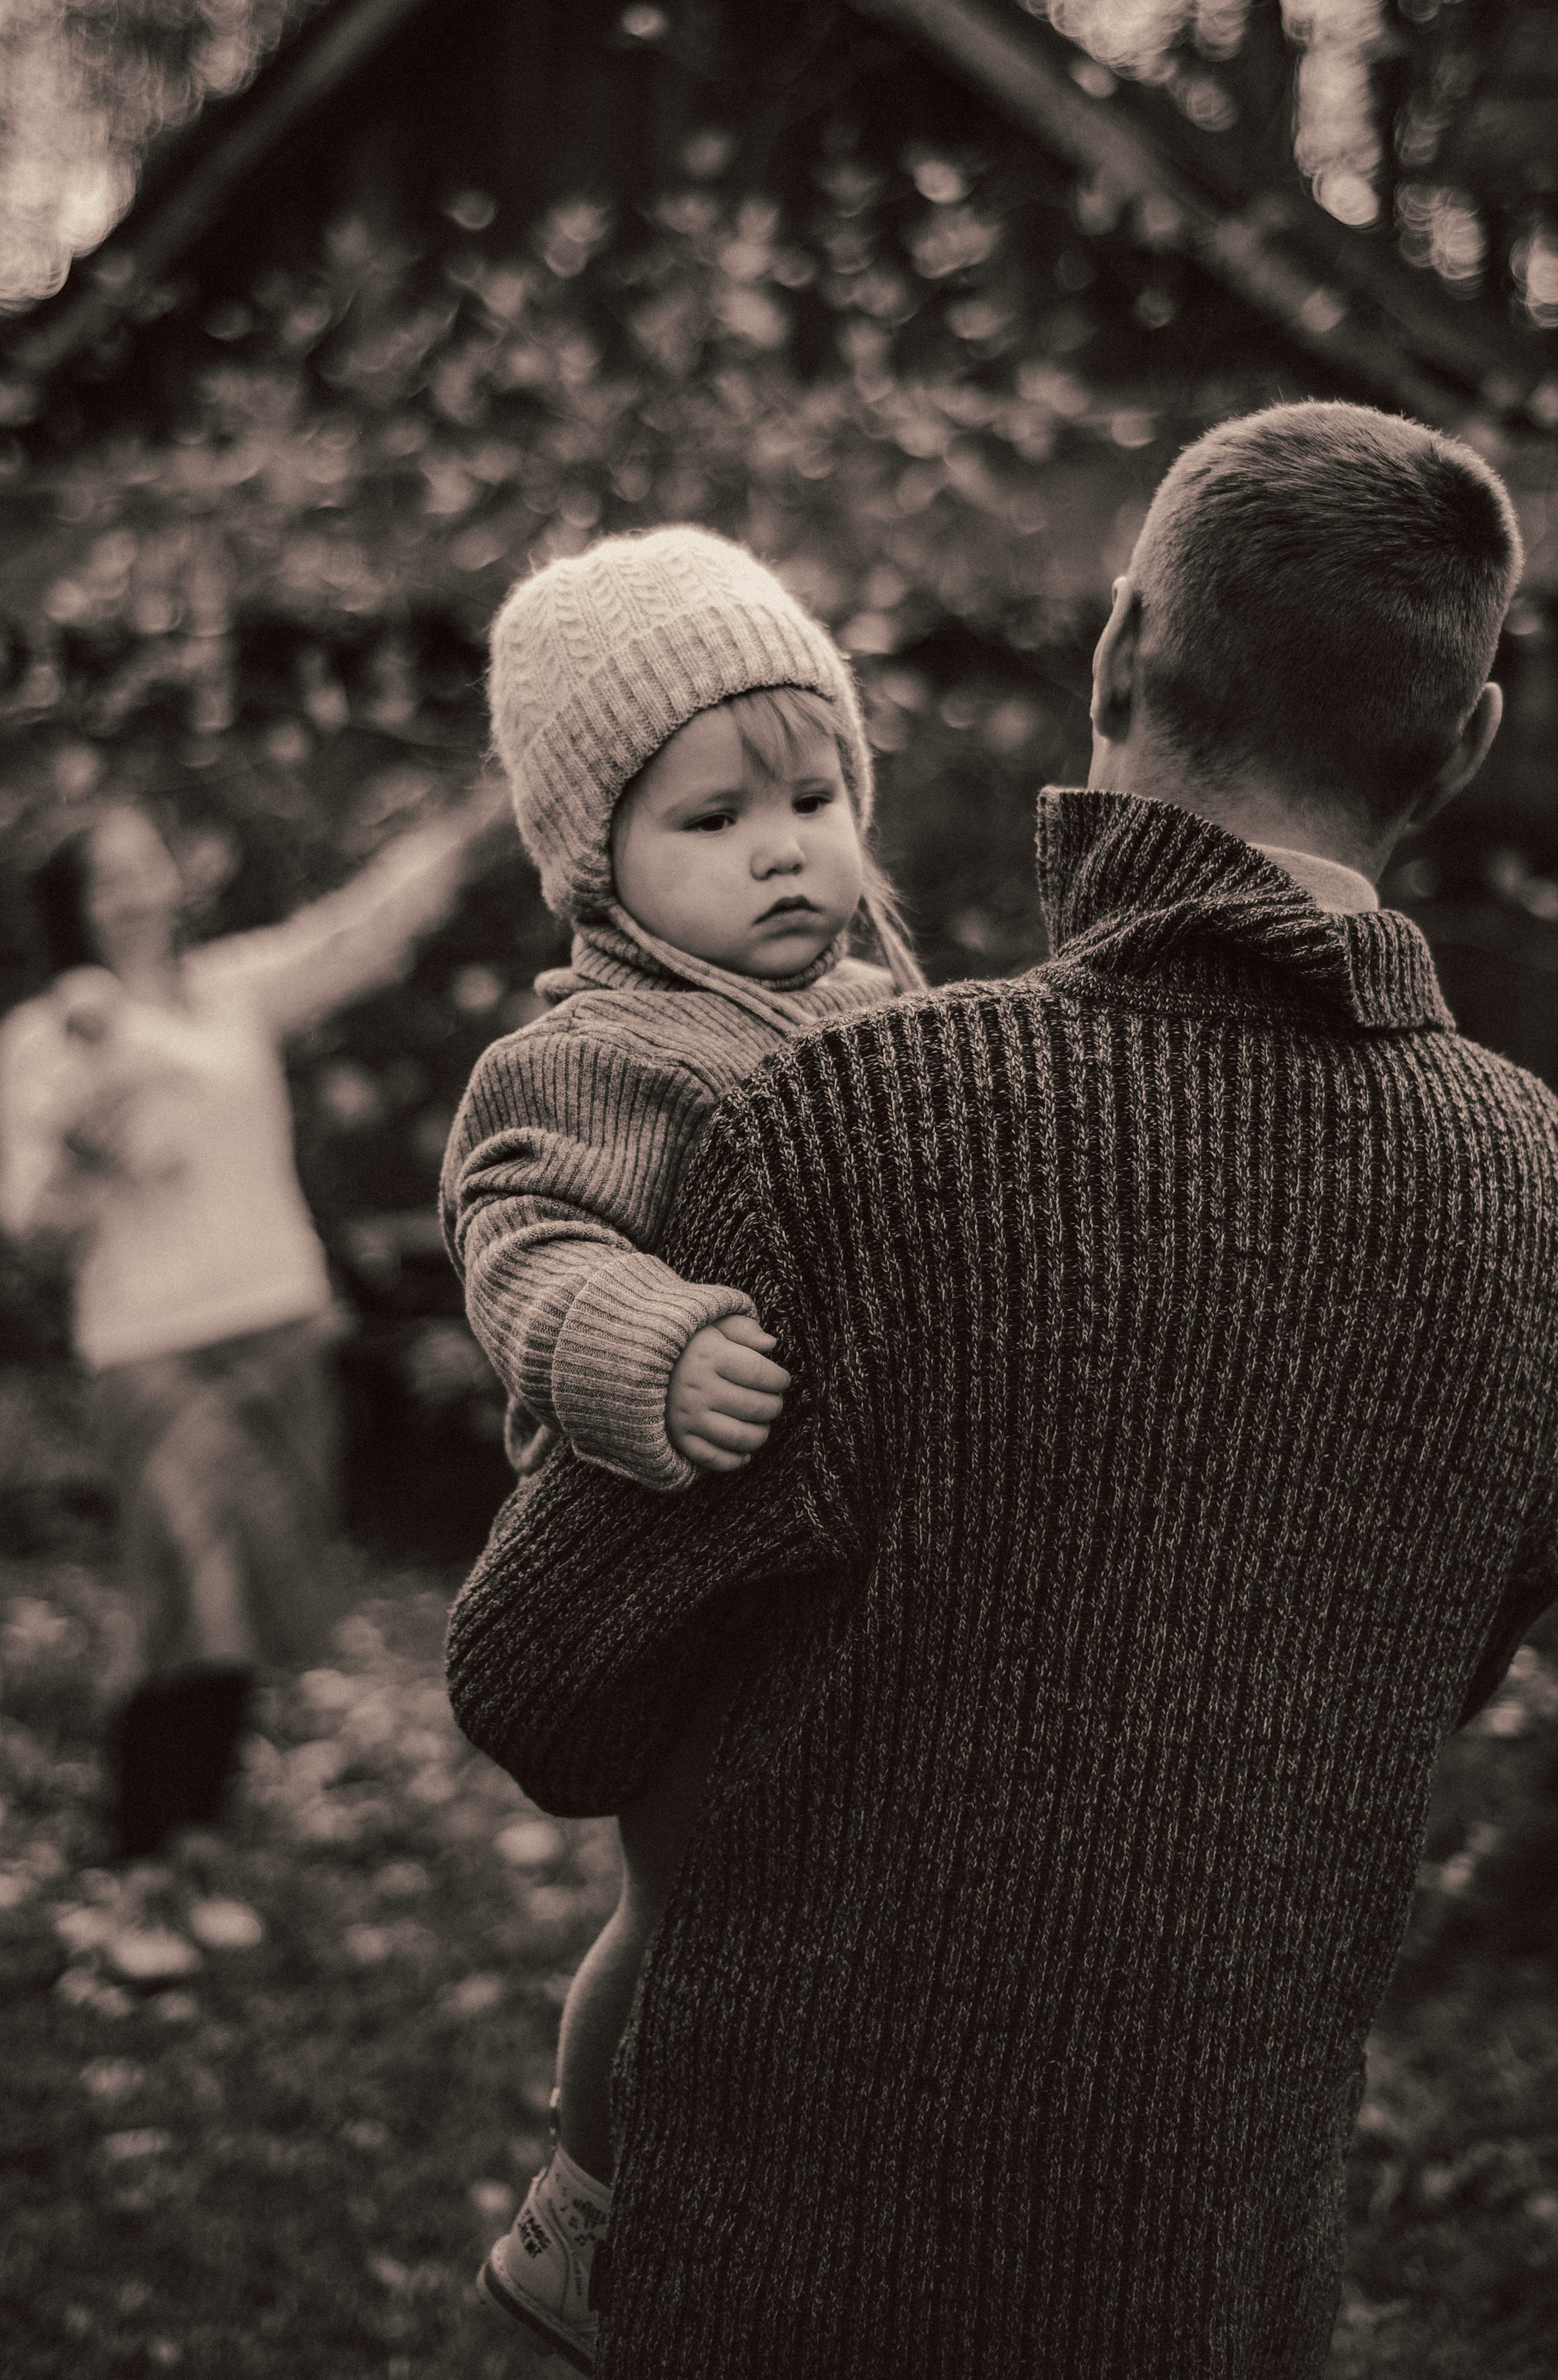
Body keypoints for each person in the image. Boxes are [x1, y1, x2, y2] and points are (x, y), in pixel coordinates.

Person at [447, 404, 1558, 2380]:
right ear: (1461, 748)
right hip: (1228, 2274)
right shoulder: (1538, 1193)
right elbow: (1414, 1659)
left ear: (1120, 656)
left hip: (805, 2275)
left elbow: (541, 1683)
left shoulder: (862, 1126)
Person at [439, 528, 923, 2370]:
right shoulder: (596, 1057)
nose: (785, 845)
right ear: (597, 866)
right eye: (712, 819)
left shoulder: (901, 1027)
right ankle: (586, 2198)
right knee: (677, 1906)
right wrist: (644, 1343)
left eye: (813, 794)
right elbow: (519, 1242)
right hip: (673, 1559)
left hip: (851, 1577)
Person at [0, 778, 505, 1863]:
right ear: (69, 904)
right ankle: (144, 1839)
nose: (130, 893)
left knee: (254, 1599)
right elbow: (28, 1224)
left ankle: (197, 1830)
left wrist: (467, 827)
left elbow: (355, 932)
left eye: (142, 866)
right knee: (185, 1589)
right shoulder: (44, 1040)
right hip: (152, 1346)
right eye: (101, 879)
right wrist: (83, 1146)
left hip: (277, 1324)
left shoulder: (233, 993)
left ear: (175, 876)